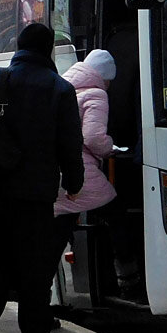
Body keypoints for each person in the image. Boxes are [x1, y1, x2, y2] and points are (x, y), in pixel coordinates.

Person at [0, 22, 83, 333]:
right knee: (35, 267)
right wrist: (73, 182)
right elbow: (70, 141)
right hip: (36, 194)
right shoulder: (59, 89)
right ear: (48, 51)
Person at [50, 49, 139, 297]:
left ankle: (40, 293)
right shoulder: (96, 94)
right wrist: (110, 149)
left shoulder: (64, 87)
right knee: (116, 214)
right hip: (81, 170)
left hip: (55, 171)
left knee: (59, 229)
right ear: (104, 76)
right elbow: (93, 137)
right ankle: (128, 279)